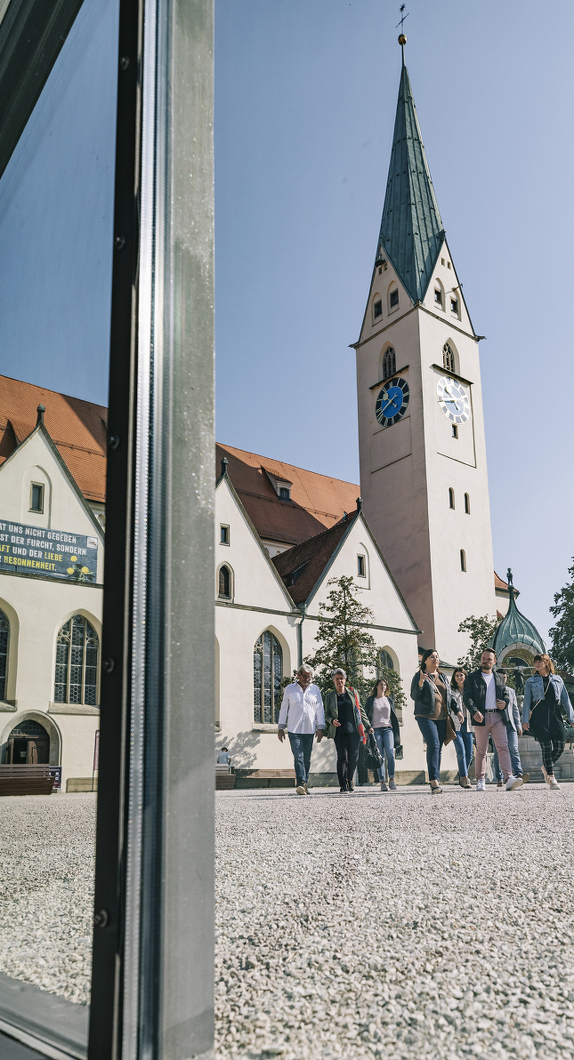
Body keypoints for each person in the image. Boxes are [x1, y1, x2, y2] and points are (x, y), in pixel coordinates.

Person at [463, 649, 522, 792]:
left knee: (503, 747)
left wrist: (505, 702)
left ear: (494, 661)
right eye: (483, 658)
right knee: (481, 750)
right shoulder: (472, 677)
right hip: (480, 717)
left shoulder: (499, 677)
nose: (485, 661)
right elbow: (467, 697)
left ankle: (508, 778)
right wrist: (474, 711)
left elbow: (507, 693)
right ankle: (481, 780)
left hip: (497, 716)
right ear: (481, 659)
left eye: (489, 659)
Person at [410, 649, 461, 794]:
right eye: (432, 657)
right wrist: (420, 683)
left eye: (437, 657)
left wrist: (458, 711)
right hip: (425, 716)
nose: (435, 659)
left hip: (442, 717)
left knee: (438, 748)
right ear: (425, 660)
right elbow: (414, 696)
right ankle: (434, 781)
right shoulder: (419, 676)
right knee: (433, 744)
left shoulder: (444, 677)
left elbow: (449, 696)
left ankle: (435, 777)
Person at [522, 653, 574, 790]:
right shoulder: (530, 681)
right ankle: (551, 777)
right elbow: (526, 702)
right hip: (539, 716)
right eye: (535, 661)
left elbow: (566, 700)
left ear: (546, 662)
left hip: (555, 715)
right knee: (546, 747)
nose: (537, 663)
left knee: (559, 747)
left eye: (540, 661)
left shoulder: (558, 680)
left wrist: (571, 718)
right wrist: (525, 719)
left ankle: (546, 766)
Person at [278, 664, 325, 794]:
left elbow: (320, 709)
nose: (307, 679)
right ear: (298, 675)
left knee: (306, 758)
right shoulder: (290, 689)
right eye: (305, 676)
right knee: (298, 757)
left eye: (309, 677)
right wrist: (281, 727)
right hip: (294, 729)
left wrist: (320, 727)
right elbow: (284, 709)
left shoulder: (315, 689)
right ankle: (301, 782)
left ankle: (304, 784)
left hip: (309, 730)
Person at [324, 668, 373, 793]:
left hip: (354, 731)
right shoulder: (330, 696)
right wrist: (331, 721)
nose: (340, 681)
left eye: (341, 678)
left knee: (354, 758)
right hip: (339, 731)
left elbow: (360, 710)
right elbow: (326, 714)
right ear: (334, 681)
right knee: (342, 757)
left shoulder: (353, 693)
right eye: (337, 679)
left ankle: (349, 779)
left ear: (345, 680)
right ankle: (343, 785)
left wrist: (368, 726)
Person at [491, 672, 529, 787]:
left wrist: (518, 725)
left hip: (510, 725)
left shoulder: (511, 691)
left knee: (514, 748)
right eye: (500, 677)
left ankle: (518, 773)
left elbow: (515, 710)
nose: (503, 679)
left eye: (505, 677)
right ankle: (499, 777)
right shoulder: (492, 691)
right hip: (497, 725)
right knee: (498, 752)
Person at [365, 677, 401, 791]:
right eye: (381, 684)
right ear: (376, 686)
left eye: (384, 685)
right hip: (376, 730)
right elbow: (365, 715)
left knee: (390, 754)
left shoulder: (389, 700)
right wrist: (367, 729)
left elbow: (393, 716)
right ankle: (382, 782)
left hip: (388, 729)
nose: (383, 686)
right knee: (379, 756)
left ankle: (391, 780)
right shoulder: (371, 700)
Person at [450, 668, 473, 789]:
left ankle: (462, 771)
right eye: (457, 675)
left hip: (468, 724)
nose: (459, 677)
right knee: (461, 751)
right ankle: (464, 777)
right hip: (455, 724)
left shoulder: (470, 690)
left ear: (465, 676)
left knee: (470, 754)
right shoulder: (451, 691)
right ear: (454, 678)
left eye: (461, 675)